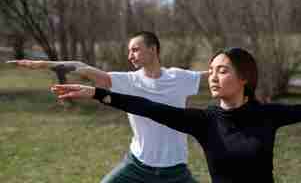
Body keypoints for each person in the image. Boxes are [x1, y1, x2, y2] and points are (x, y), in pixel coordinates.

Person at [52, 47, 301, 183]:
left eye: (222, 71)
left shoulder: (268, 114)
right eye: (211, 70)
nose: (213, 77)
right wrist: (98, 93)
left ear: (244, 77)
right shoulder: (206, 122)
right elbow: (148, 107)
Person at [8, 31, 207, 183]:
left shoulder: (179, 78)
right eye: (129, 51)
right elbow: (81, 66)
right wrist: (43, 65)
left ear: (153, 49)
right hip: (137, 166)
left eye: (135, 49)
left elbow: (218, 76)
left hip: (174, 170)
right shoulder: (128, 81)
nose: (130, 55)